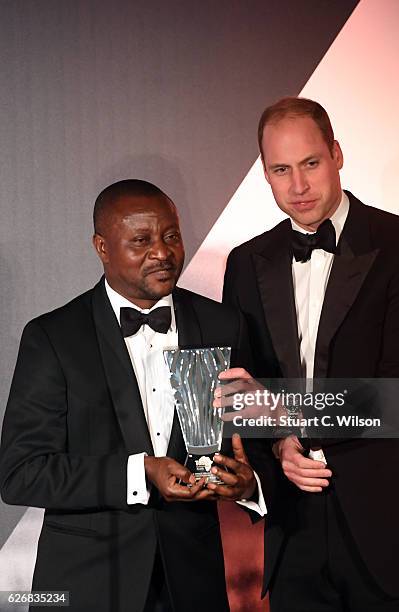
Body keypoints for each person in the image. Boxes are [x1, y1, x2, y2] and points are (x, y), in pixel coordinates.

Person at [220, 97, 399, 611]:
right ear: (265, 175)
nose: (298, 186)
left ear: (336, 153)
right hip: (296, 529)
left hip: (395, 519)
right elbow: (241, 387)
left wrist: (287, 420)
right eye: (280, 170)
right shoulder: (246, 263)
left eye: (310, 163)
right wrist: (279, 445)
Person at [0, 179, 258, 612]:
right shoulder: (53, 337)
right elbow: (21, 472)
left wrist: (250, 483)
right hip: (87, 586)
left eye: (171, 236)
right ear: (102, 247)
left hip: (193, 585)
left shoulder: (223, 325)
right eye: (141, 240)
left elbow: (253, 438)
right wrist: (140, 474)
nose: (162, 252)